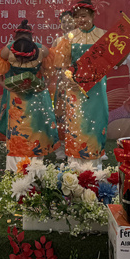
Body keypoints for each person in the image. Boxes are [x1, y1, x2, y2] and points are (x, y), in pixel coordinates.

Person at [0, 28, 58, 171]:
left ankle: (36, 166)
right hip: (16, 96)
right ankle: (14, 166)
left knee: (36, 127)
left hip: (36, 95)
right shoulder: (7, 50)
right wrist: (5, 85)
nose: (22, 62)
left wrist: (45, 84)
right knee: (17, 128)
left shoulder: (43, 51)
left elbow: (49, 70)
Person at [56, 0, 109, 164]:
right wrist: (68, 79)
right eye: (77, 17)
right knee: (76, 125)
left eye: (84, 16)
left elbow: (113, 61)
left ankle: (94, 167)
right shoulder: (68, 38)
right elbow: (63, 65)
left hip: (96, 89)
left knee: (96, 123)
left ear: (93, 15)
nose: (80, 20)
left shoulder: (103, 35)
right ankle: (74, 166)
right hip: (75, 89)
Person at [50, 10, 75, 159]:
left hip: (77, 83)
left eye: (69, 21)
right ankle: (61, 147)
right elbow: (51, 63)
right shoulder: (57, 41)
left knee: (75, 114)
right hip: (62, 83)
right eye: (63, 21)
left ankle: (77, 145)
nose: (66, 24)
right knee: (60, 114)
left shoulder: (81, 40)